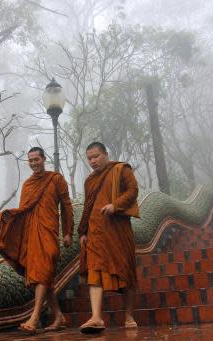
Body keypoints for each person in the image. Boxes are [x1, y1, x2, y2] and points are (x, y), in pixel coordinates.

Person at [0, 147, 73, 334]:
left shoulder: (56, 179)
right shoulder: (28, 185)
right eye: (31, 160)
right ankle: (58, 316)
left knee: (44, 271)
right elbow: (23, 213)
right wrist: (6, 234)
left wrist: (68, 232)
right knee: (42, 275)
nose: (34, 163)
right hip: (33, 236)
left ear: (44, 159)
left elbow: (67, 207)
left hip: (49, 233)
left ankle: (34, 317)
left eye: (36, 159)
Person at [77, 142, 139, 334]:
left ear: (105, 154)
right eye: (89, 158)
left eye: (96, 156)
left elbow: (133, 190)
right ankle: (96, 317)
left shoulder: (121, 169)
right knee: (94, 270)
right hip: (95, 230)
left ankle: (129, 316)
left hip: (117, 228)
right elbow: (87, 205)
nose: (93, 161)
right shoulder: (89, 181)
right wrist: (83, 231)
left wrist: (116, 205)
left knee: (125, 268)